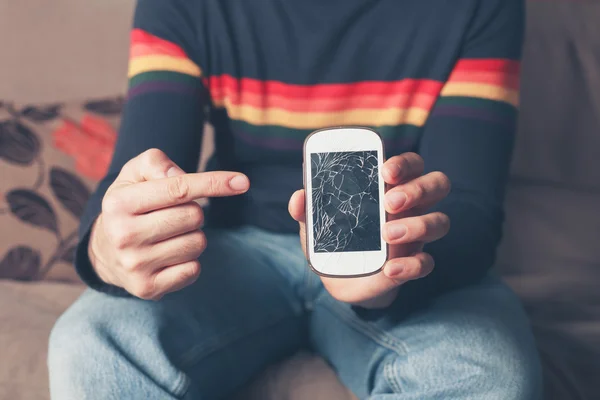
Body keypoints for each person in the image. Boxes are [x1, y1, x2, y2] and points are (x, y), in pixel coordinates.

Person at [48, 0, 542, 398]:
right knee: (89, 343)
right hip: (238, 249)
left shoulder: (480, 6)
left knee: (488, 376)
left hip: (397, 251)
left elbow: (471, 208)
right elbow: (138, 177)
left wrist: (390, 280)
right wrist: (107, 252)